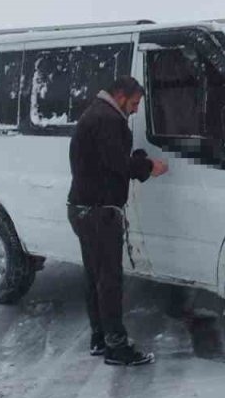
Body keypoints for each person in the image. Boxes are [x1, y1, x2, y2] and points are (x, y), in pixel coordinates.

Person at [67, 76, 169, 366]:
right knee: (109, 280)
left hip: (83, 208)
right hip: (99, 212)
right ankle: (116, 347)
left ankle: (100, 338)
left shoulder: (96, 113)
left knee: (95, 277)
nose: (136, 110)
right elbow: (118, 164)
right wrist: (149, 166)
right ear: (121, 95)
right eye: (135, 103)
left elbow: (107, 160)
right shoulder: (108, 119)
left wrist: (135, 157)